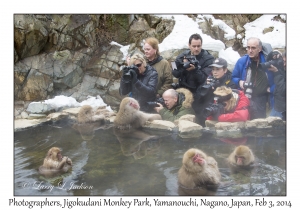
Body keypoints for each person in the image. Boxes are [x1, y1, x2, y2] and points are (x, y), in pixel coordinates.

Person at [231, 37, 274, 120]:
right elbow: (233, 77)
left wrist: (271, 89)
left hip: (262, 98)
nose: (250, 50)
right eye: (248, 47)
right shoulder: (242, 61)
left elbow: (277, 79)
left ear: (260, 49)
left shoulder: (267, 62)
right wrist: (240, 82)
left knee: (259, 124)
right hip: (245, 96)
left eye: (253, 48)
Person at [194, 58, 237, 126]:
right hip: (206, 113)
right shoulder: (209, 80)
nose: (214, 72)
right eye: (213, 69)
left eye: (217, 69)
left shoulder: (230, 84)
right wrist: (205, 86)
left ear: (225, 70)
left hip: (221, 116)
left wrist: (216, 89)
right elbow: (197, 98)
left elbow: (230, 104)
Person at [172, 33, 214, 97]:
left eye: (198, 46)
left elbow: (204, 79)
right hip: (183, 89)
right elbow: (173, 67)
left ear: (201, 45)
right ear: (189, 45)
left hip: (199, 92)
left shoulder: (208, 59)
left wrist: (195, 69)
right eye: (194, 46)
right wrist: (183, 66)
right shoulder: (183, 55)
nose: (196, 49)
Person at [267, 51, 286, 120]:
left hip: (283, 109)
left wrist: (277, 73)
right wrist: (272, 55)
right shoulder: (283, 68)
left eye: (286, 62)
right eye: (283, 61)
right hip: (277, 106)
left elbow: (283, 90)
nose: (284, 64)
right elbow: (268, 62)